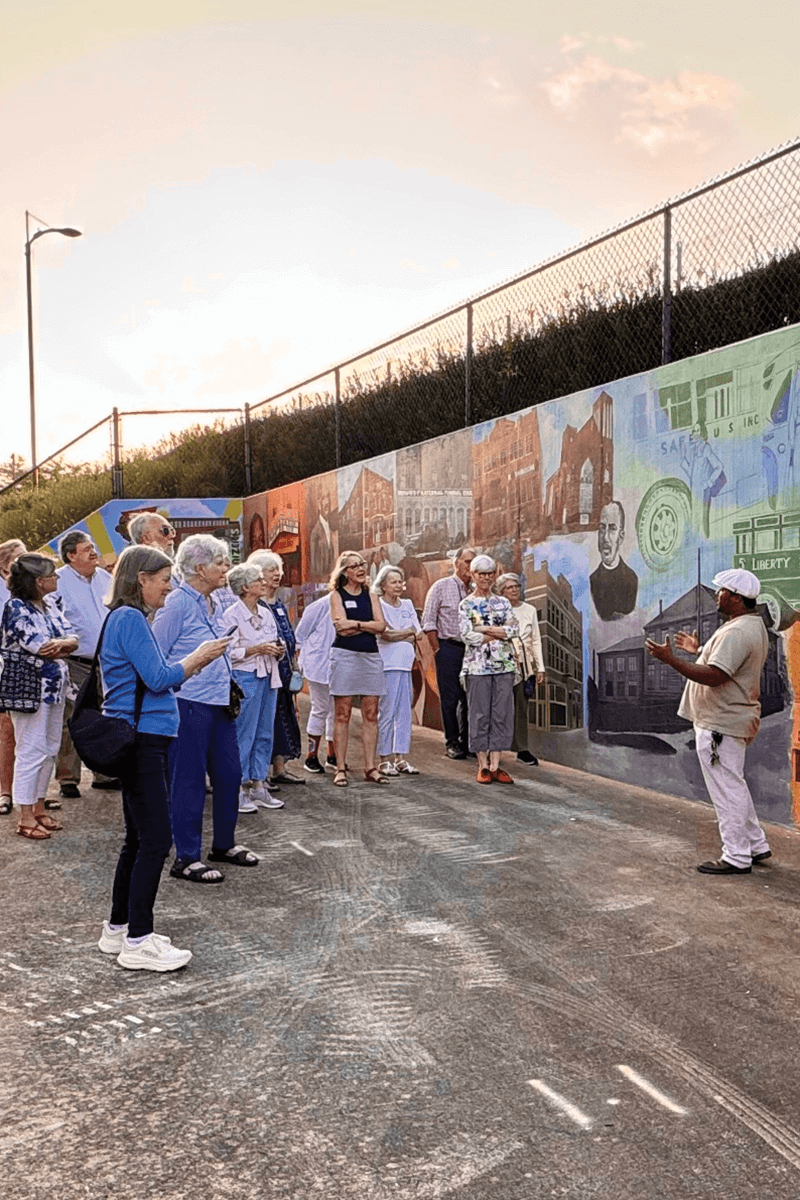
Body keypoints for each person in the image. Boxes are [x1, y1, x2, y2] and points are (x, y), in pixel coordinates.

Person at [97, 545, 231, 970]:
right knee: (155, 839)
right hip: (142, 739)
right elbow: (158, 678)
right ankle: (139, 939)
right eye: (163, 579)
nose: (168, 588)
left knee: (138, 838)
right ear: (141, 579)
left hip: (138, 736)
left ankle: (120, 928)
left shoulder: (125, 618)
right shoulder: (131, 618)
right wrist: (196, 659)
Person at [645, 568, 771, 875]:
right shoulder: (745, 626)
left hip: (720, 723)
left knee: (727, 789)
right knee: (733, 784)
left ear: (736, 598)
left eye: (722, 592)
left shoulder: (737, 631)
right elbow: (726, 663)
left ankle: (737, 856)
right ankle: (755, 845)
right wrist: (698, 651)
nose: (717, 595)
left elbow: (717, 676)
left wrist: (671, 659)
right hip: (726, 720)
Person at [153, 534, 256, 883]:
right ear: (199, 568)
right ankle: (186, 856)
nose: (227, 569)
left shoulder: (215, 600)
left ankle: (223, 844)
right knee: (189, 780)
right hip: (188, 701)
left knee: (229, 775)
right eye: (220, 563)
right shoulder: (177, 604)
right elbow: (157, 654)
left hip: (218, 701)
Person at [2, 554, 78, 838]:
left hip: (54, 688)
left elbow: (72, 638)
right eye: (52, 575)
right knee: (31, 751)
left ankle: (39, 807)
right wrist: (64, 644)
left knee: (49, 748)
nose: (57, 578)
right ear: (37, 581)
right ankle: (24, 817)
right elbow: (39, 646)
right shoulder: (16, 609)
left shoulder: (50, 605)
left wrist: (63, 644)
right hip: (30, 690)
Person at [55, 531, 118, 798]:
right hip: (74, 661)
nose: (94, 553)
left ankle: (104, 774)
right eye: (86, 549)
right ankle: (68, 778)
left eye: (93, 547)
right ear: (71, 555)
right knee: (72, 718)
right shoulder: (57, 581)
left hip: (107, 662)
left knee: (104, 718)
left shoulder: (105, 578)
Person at [223, 564, 285, 812]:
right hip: (245, 677)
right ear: (245, 587)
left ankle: (259, 784)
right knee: (242, 734)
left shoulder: (266, 612)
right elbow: (227, 651)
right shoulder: (231, 615)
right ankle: (237, 788)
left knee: (264, 731)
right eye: (258, 579)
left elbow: (273, 639)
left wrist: (276, 649)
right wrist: (256, 649)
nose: (264, 582)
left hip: (269, 675)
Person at [328, 551, 387, 787]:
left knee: (371, 713)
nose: (361, 569)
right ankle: (340, 768)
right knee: (342, 713)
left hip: (371, 658)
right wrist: (367, 626)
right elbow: (340, 629)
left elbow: (381, 626)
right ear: (345, 572)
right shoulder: (336, 595)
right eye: (355, 566)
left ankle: (370, 767)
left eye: (362, 564)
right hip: (344, 656)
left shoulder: (371, 595)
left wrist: (356, 624)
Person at [458, 554, 519, 785]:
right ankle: (482, 765)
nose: (485, 578)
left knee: (501, 715)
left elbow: (513, 631)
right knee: (479, 714)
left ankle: (496, 765)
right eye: (481, 573)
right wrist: (497, 631)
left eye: (489, 573)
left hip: (504, 665)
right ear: (472, 575)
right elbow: (468, 636)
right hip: (476, 667)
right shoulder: (466, 604)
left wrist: (484, 628)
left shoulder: (503, 603)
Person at [247, 550, 304, 787]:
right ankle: (258, 774)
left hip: (284, 673)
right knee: (265, 722)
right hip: (264, 672)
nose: (277, 574)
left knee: (284, 718)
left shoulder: (278, 604)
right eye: (270, 570)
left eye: (277, 569)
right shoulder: (255, 605)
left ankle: (279, 768)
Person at [422, 546, 476, 759]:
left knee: (470, 698)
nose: (470, 567)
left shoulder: (475, 592)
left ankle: (468, 742)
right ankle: (452, 742)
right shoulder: (441, 587)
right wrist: (438, 649)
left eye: (474, 562)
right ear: (456, 563)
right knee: (450, 698)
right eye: (466, 561)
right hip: (449, 648)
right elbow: (428, 621)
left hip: (472, 651)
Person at [373, 565, 423, 775]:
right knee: (387, 712)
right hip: (388, 665)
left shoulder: (408, 604)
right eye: (393, 582)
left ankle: (400, 758)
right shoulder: (380, 605)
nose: (398, 586)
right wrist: (406, 632)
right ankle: (383, 759)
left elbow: (418, 634)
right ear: (383, 585)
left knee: (404, 713)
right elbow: (384, 634)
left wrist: (399, 633)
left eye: (400, 581)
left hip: (406, 664)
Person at [495, 573, 545, 767]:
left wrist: (539, 667)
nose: (514, 589)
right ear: (501, 591)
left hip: (524, 664)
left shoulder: (529, 609)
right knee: (498, 706)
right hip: (502, 661)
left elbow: (535, 640)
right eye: (509, 587)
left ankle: (522, 749)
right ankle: (493, 749)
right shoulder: (496, 610)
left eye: (516, 586)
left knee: (521, 707)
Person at [294, 589, 336, 773]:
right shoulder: (319, 606)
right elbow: (300, 636)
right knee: (320, 708)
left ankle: (333, 755)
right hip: (318, 664)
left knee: (337, 712)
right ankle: (311, 757)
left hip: (341, 665)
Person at [0, 538, 27, 817]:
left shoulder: (29, 587)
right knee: (7, 731)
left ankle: (30, 795)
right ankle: (5, 792)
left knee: (31, 734)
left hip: (28, 668)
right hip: (3, 667)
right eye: (20, 557)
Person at [589, 501, 638, 621]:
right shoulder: (593, 579)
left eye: (612, 529)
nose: (605, 537)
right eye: (602, 528)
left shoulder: (631, 579)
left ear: (620, 537)